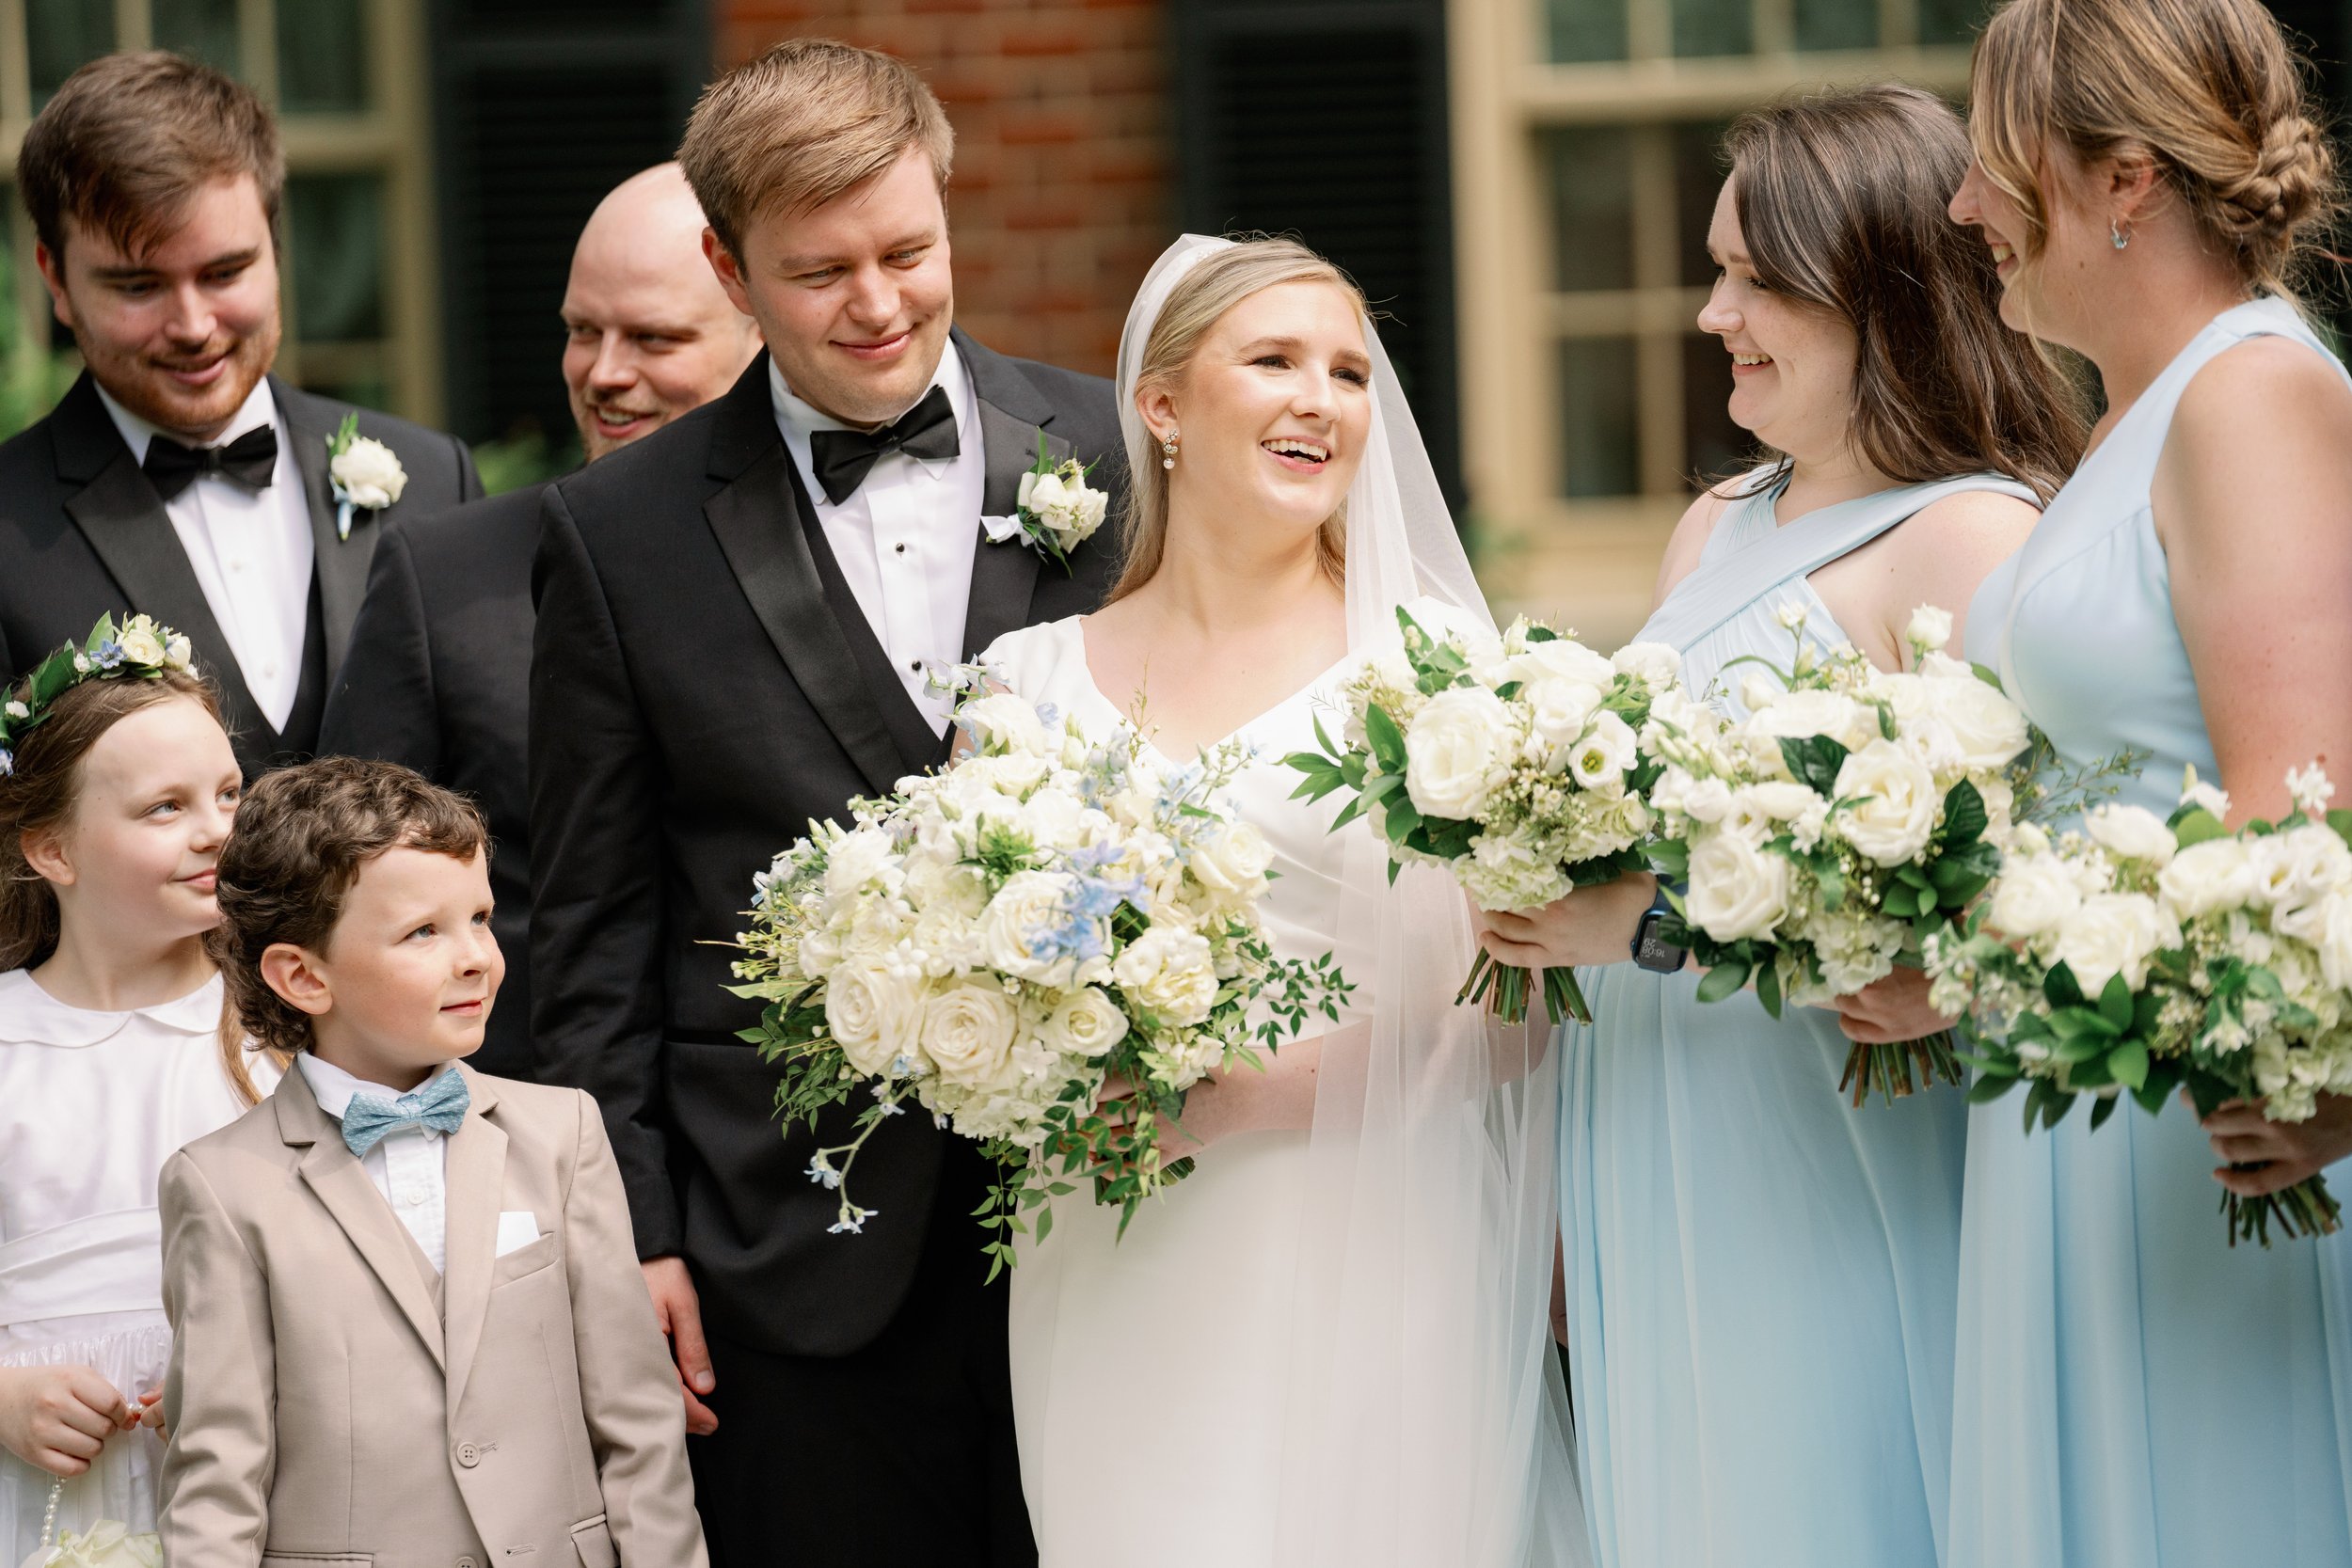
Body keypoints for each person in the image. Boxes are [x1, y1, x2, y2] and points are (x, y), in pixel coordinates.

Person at [1470, 87, 2087, 1566]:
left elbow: (2006, 895)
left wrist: (1653, 920)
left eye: (1756, 279)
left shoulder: (1977, 537)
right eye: (1716, 269)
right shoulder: (1722, 520)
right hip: (1645, 1121)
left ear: (1878, 289)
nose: (1709, 312)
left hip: (1827, 1136)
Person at [528, 40, 1124, 1566]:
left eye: (909, 252)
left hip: (1118, 1199)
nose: (878, 303)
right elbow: (595, 924)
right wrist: (635, 1234)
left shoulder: (1120, 454)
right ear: (730, 269)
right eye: (820, 271)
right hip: (783, 1233)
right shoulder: (614, 536)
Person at [1837, 3, 2352, 1562]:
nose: (1962, 204)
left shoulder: (2251, 396)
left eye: (2001, 166)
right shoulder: (2137, 415)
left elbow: (2299, 817)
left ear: (2127, 179)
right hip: (2079, 1093)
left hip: (2202, 1120)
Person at [986, 234, 1584, 1566]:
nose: (1322, 398)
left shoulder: (1435, 672)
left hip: (1372, 1243)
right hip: (1114, 1252)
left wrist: (1246, 1089)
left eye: (1351, 373)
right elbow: (967, 980)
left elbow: (1529, 1007)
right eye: (1273, 361)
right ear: (1160, 403)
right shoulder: (1021, 683)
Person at [156, 756, 707, 1568]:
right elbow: (219, 1479)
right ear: (303, 975)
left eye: (481, 917)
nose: (477, 956)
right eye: (424, 931)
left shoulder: (565, 1134)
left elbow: (638, 1424)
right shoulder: (224, 1187)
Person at [319, 163, 760, 1079]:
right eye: (581, 332)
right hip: (510, 1148)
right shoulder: (444, 579)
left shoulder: (847, 566)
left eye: (653, 337)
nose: (605, 373)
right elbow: (338, 896)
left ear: (765, 340)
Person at [0, 52, 483, 777]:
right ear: (55, 280)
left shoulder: (437, 481)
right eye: (139, 286)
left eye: (225, 272)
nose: (194, 324)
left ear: (275, 247)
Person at [0, 615, 278, 1561]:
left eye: (230, 793)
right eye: (165, 807)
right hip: (42, 1498)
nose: (217, 830)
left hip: (266, 1490)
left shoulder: (284, 1036)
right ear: (53, 850)